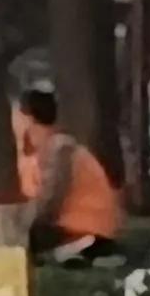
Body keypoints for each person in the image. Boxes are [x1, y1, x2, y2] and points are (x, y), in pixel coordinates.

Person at [14, 81, 125, 257]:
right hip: (78, 228)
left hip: (86, 232)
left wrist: (23, 225)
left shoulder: (59, 149)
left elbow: (50, 201)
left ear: (27, 118)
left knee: (13, 237)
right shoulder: (45, 151)